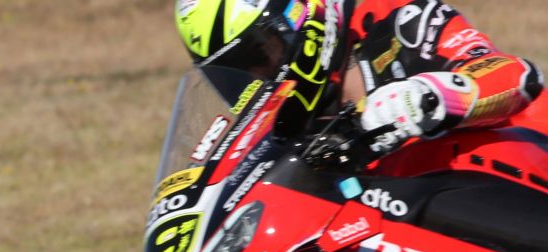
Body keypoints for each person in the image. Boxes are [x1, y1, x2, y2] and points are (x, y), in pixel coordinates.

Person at [174, 0, 543, 152]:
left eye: (259, 53)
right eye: (233, 73)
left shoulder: (392, 21)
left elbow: (517, 75)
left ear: (298, 17)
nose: (256, 79)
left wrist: (427, 96)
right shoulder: (273, 124)